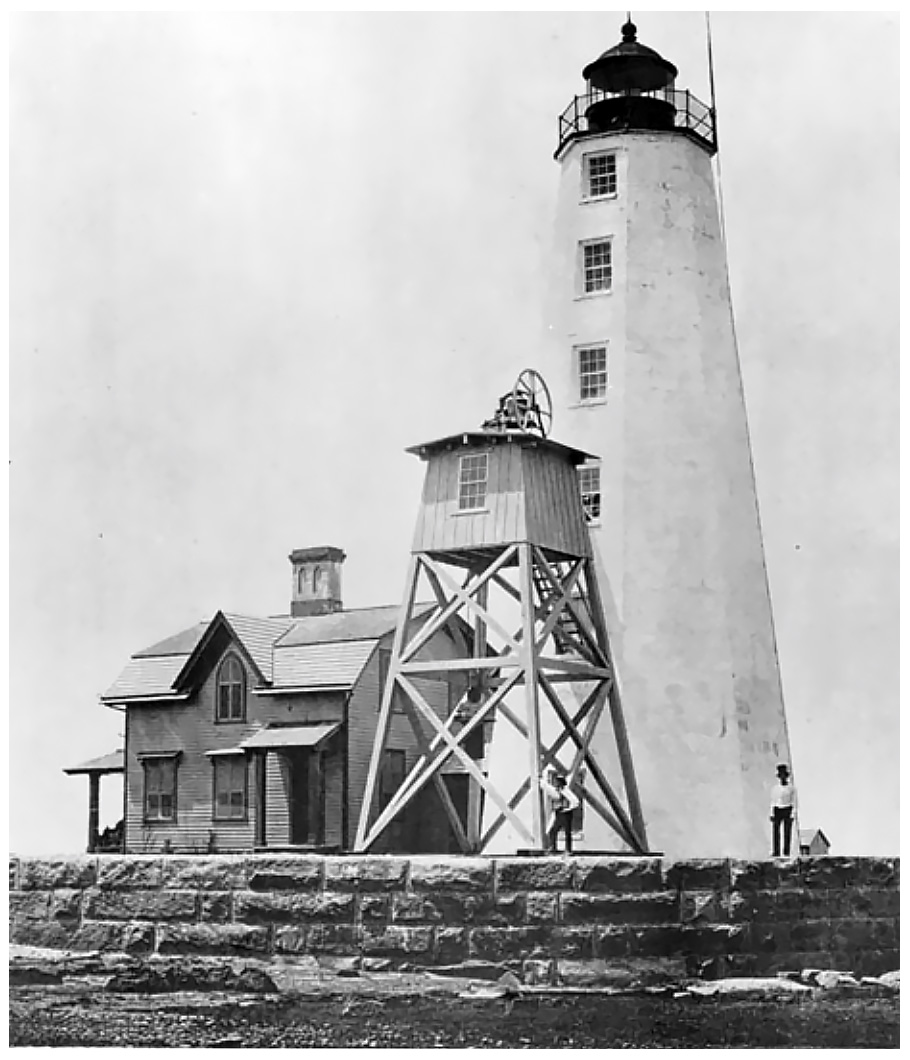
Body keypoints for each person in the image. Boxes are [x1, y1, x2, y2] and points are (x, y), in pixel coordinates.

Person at [540, 770, 580, 854]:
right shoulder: (557, 791)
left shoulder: (565, 791)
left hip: (566, 814)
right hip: (559, 814)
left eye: (557, 782)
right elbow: (549, 789)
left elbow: (575, 802)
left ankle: (568, 850)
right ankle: (553, 848)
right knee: (553, 831)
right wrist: (541, 782)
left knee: (567, 833)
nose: (555, 783)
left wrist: (567, 809)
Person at [769, 763, 797, 857]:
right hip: (777, 809)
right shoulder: (775, 788)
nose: (782, 778)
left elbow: (794, 801)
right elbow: (773, 801)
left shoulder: (791, 788)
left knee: (787, 832)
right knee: (776, 832)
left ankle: (786, 852)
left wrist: (792, 813)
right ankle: (776, 852)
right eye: (781, 775)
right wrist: (772, 813)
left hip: (787, 809)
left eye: (784, 775)